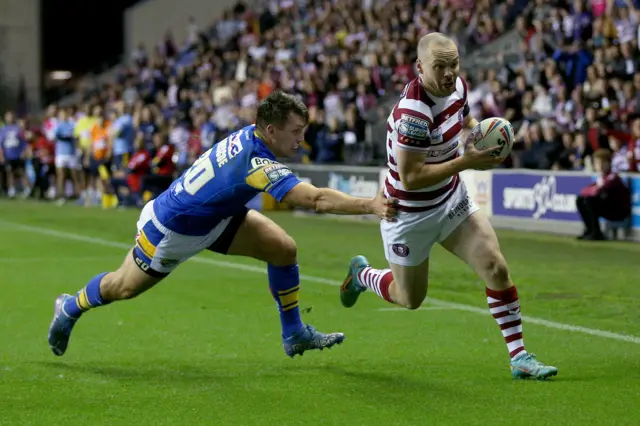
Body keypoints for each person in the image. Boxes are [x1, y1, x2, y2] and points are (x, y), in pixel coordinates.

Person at [48, 91, 397, 358]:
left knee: (283, 249)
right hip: (173, 229)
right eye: (295, 132)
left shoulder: (252, 134)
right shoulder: (256, 161)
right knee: (122, 287)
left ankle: (293, 334)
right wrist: (370, 204)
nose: (300, 140)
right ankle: (70, 306)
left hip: (218, 217)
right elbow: (315, 199)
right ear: (271, 130)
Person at [340, 33, 558, 380]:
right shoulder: (413, 111)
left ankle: (519, 357)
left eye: (453, 64)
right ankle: (362, 274)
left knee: (495, 266)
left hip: (450, 200)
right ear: (420, 67)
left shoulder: (458, 88)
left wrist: (488, 136)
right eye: (438, 66)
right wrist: (468, 161)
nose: (448, 73)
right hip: (408, 214)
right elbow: (412, 177)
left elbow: (465, 121)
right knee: (409, 298)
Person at [576, 149, 631, 240]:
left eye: (600, 162)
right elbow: (585, 190)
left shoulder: (613, 177)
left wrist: (594, 189)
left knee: (590, 201)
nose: (598, 165)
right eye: (596, 163)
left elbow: (599, 189)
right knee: (580, 199)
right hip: (607, 208)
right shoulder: (601, 178)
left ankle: (596, 232)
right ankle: (589, 229)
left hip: (618, 211)